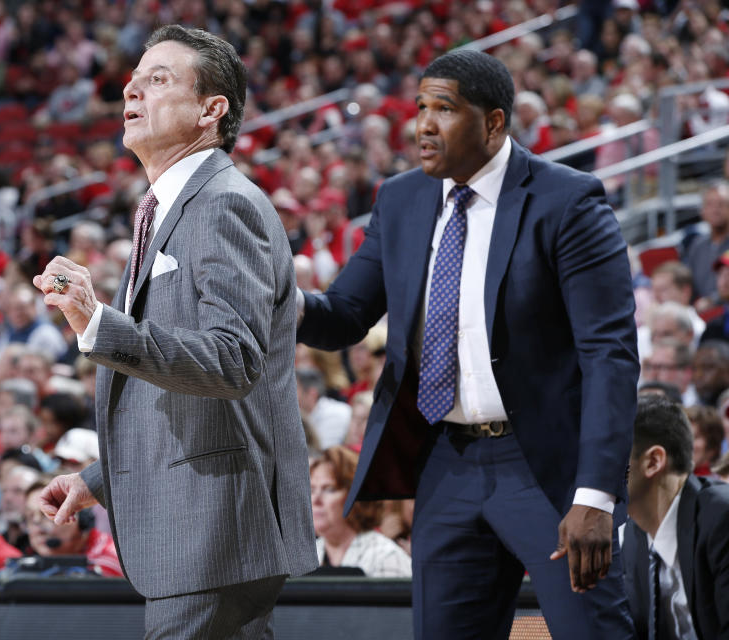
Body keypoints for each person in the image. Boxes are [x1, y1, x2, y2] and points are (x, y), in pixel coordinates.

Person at [297, 49, 638, 638]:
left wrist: (597, 493)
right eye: (421, 107)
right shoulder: (401, 200)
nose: (423, 124)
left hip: (545, 468)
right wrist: (278, 298)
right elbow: (345, 315)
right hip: (444, 463)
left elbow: (609, 353)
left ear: (494, 122)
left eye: (444, 109)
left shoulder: (567, 201)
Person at [33, 25, 316, 637]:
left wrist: (100, 323)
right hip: (208, 526)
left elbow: (232, 361)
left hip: (213, 528)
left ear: (211, 111)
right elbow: (190, 394)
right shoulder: (173, 206)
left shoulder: (221, 203)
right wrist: (97, 480)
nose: (132, 88)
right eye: (134, 78)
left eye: (158, 79)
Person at [622, 395, 729, 640]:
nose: (591, 470)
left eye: (606, 454)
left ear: (653, 461)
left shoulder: (722, 519)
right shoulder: (634, 531)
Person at [310, 446, 412, 578]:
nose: (315, 500)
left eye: (329, 489)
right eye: (311, 490)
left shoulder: (386, 558)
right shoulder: (305, 559)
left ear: (355, 496)